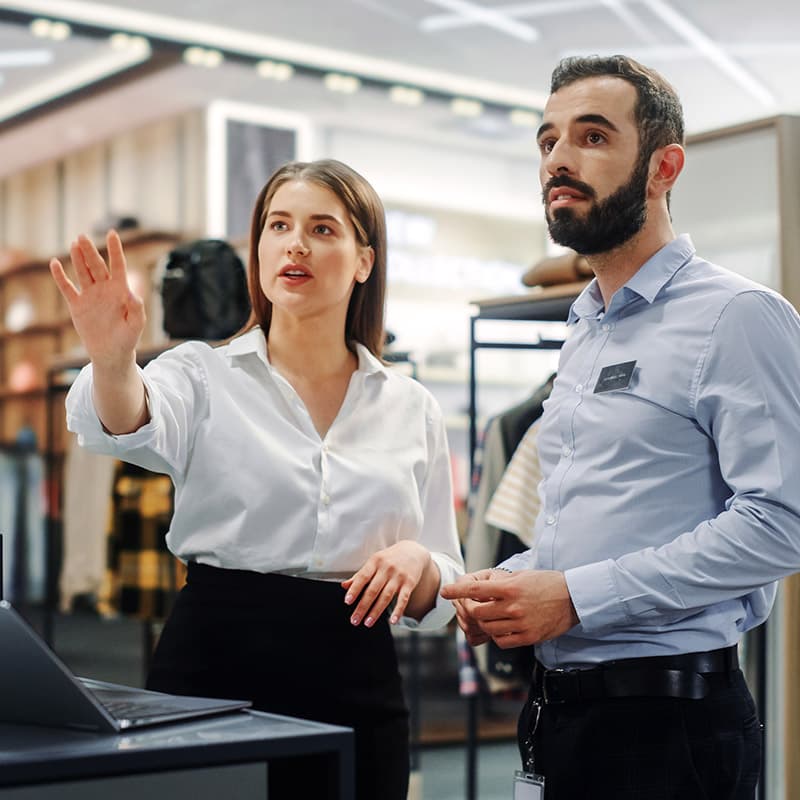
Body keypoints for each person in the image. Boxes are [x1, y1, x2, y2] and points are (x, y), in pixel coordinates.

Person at [442, 54, 800, 800]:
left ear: (664, 166)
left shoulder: (736, 316)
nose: (559, 161)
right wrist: (509, 586)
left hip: (670, 728)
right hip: (562, 712)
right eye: (547, 142)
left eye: (593, 137)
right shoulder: (585, 326)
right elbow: (598, 521)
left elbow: (782, 524)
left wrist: (576, 596)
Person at [50, 158, 464, 799]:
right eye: (278, 225)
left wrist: (420, 562)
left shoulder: (411, 407)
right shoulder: (201, 374)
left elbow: (444, 578)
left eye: (322, 229)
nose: (295, 243)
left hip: (358, 676)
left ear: (363, 261)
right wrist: (111, 361)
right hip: (215, 667)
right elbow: (127, 420)